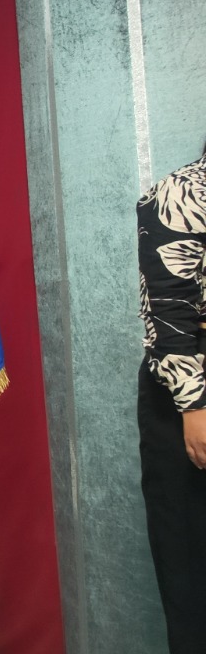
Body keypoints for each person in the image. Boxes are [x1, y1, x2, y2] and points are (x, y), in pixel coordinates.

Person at [136, 146, 206, 654]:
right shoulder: (179, 192)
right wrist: (195, 407)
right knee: (192, 571)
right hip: (191, 395)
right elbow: (170, 309)